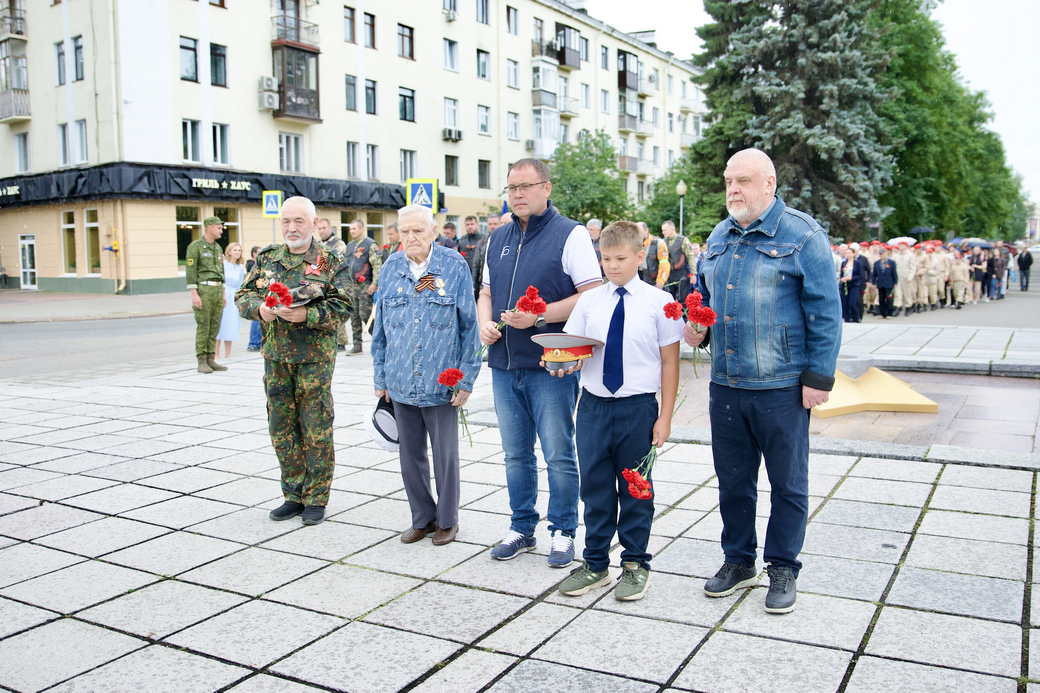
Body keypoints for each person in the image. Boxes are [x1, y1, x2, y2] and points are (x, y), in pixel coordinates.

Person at [684, 148, 841, 614]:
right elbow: (705, 297)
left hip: (782, 385)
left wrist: (818, 377)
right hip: (727, 383)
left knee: (788, 483)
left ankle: (783, 566)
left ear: (770, 184)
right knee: (733, 481)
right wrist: (698, 325)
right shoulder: (719, 235)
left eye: (745, 181)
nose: (734, 190)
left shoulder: (802, 234)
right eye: (730, 181)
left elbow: (825, 311)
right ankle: (738, 560)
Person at [477, 157, 602, 567]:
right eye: (511, 188)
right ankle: (521, 527)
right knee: (515, 454)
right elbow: (486, 294)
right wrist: (484, 324)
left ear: (546, 188)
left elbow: (591, 293)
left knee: (558, 453)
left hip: (552, 364)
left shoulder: (571, 234)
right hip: (504, 362)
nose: (517, 194)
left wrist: (541, 314)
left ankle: (564, 530)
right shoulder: (497, 237)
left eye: (526, 186)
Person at [555, 220, 682, 602]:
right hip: (593, 406)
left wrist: (665, 416)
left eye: (620, 258)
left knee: (635, 488)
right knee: (594, 487)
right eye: (605, 258)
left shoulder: (659, 303)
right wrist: (563, 360)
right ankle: (595, 562)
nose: (612, 266)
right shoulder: (591, 302)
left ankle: (635, 563)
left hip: (638, 408)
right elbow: (573, 348)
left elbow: (670, 363)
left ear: (640, 256)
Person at [235, 196, 350, 526]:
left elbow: (343, 307)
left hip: (313, 360)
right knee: (281, 427)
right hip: (276, 358)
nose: (292, 227)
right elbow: (243, 296)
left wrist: (306, 314)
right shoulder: (269, 259)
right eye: (286, 221)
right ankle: (293, 493)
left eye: (299, 221)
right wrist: (260, 309)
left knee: (315, 427)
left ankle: (316, 497)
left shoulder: (326, 262)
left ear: (314, 224)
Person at [372, 204, 481, 546]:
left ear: (433, 232)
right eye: (404, 232)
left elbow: (469, 327)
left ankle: (447, 520)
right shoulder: (391, 268)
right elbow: (381, 330)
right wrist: (380, 378)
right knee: (410, 457)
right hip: (401, 380)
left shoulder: (453, 266)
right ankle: (422, 518)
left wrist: (466, 378)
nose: (411, 237)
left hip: (441, 382)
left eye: (418, 231)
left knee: (445, 456)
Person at [186, 216, 227, 373]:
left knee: (215, 325)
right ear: (209, 227)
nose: (221, 230)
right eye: (218, 227)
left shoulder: (218, 248)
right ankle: (201, 360)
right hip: (204, 290)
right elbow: (191, 271)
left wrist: (222, 293)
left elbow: (221, 272)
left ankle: (211, 358)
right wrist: (194, 294)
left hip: (217, 289)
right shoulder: (195, 247)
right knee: (204, 325)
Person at [344, 219, 382, 354]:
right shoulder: (350, 245)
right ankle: (357, 345)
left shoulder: (370, 245)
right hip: (351, 286)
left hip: (365, 285)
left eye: (354, 228)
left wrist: (375, 283)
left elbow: (377, 265)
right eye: (350, 229)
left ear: (361, 229)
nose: (351, 231)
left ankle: (380, 341)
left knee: (365, 314)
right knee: (353, 315)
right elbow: (345, 265)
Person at [317, 217, 349, 352]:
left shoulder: (338, 244)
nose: (321, 231)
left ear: (330, 228)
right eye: (319, 228)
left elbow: (332, 261)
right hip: (324, 283)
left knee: (337, 309)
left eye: (324, 228)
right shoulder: (318, 245)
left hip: (339, 283)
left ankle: (341, 342)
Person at [216, 242, 247, 360]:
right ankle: (216, 354)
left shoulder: (240, 267)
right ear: (229, 251)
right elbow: (220, 281)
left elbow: (240, 285)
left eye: (239, 250)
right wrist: (222, 295)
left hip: (234, 297)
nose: (238, 252)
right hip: (222, 295)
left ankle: (228, 354)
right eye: (235, 250)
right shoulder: (223, 265)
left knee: (231, 325)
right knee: (220, 324)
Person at [660, 220, 695, 300]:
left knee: (682, 301)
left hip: (682, 275)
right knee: (668, 300)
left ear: (672, 228)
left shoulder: (683, 240)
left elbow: (691, 256)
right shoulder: (663, 241)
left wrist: (693, 274)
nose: (663, 232)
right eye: (662, 230)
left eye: (665, 230)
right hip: (669, 276)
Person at [637, 221, 669, 288]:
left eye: (639, 232)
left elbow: (664, 264)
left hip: (654, 283)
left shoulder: (659, 243)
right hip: (638, 282)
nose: (637, 234)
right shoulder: (634, 243)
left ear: (646, 230)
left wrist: (660, 282)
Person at [457, 215, 485, 283]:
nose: (470, 226)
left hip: (481, 277)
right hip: (466, 277)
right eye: (467, 224)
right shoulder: (462, 240)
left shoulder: (484, 239)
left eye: (472, 224)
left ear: (477, 225)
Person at [872, 246, 898, 318]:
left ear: (886, 254)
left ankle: (889, 313)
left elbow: (894, 273)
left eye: (883, 254)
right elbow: (874, 274)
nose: (882, 255)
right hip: (880, 283)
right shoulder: (877, 263)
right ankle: (883, 314)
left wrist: (895, 282)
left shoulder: (891, 262)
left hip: (889, 283)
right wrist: (873, 283)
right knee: (881, 299)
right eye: (880, 254)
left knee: (889, 298)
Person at [247, 246, 263, 352]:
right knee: (256, 319)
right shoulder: (251, 264)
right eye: (258, 252)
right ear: (253, 254)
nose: (260, 254)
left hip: (260, 292)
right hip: (255, 293)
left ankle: (257, 342)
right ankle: (253, 343)